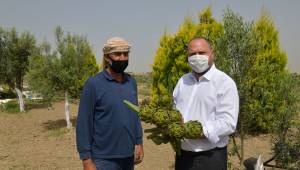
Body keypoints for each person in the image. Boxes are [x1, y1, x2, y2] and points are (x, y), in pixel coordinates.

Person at [76, 37, 143, 170]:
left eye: (125, 54)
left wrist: (139, 142)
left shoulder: (131, 82)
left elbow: (135, 116)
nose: (122, 58)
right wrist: (86, 160)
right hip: (103, 159)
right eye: (117, 54)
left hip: (128, 157)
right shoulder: (93, 84)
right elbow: (84, 123)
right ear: (107, 57)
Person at [173, 37, 239, 170]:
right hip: (183, 157)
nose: (197, 57)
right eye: (192, 54)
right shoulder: (182, 81)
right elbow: (175, 111)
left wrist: (197, 131)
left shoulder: (224, 83)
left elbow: (228, 123)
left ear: (212, 54)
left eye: (201, 53)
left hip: (210, 158)